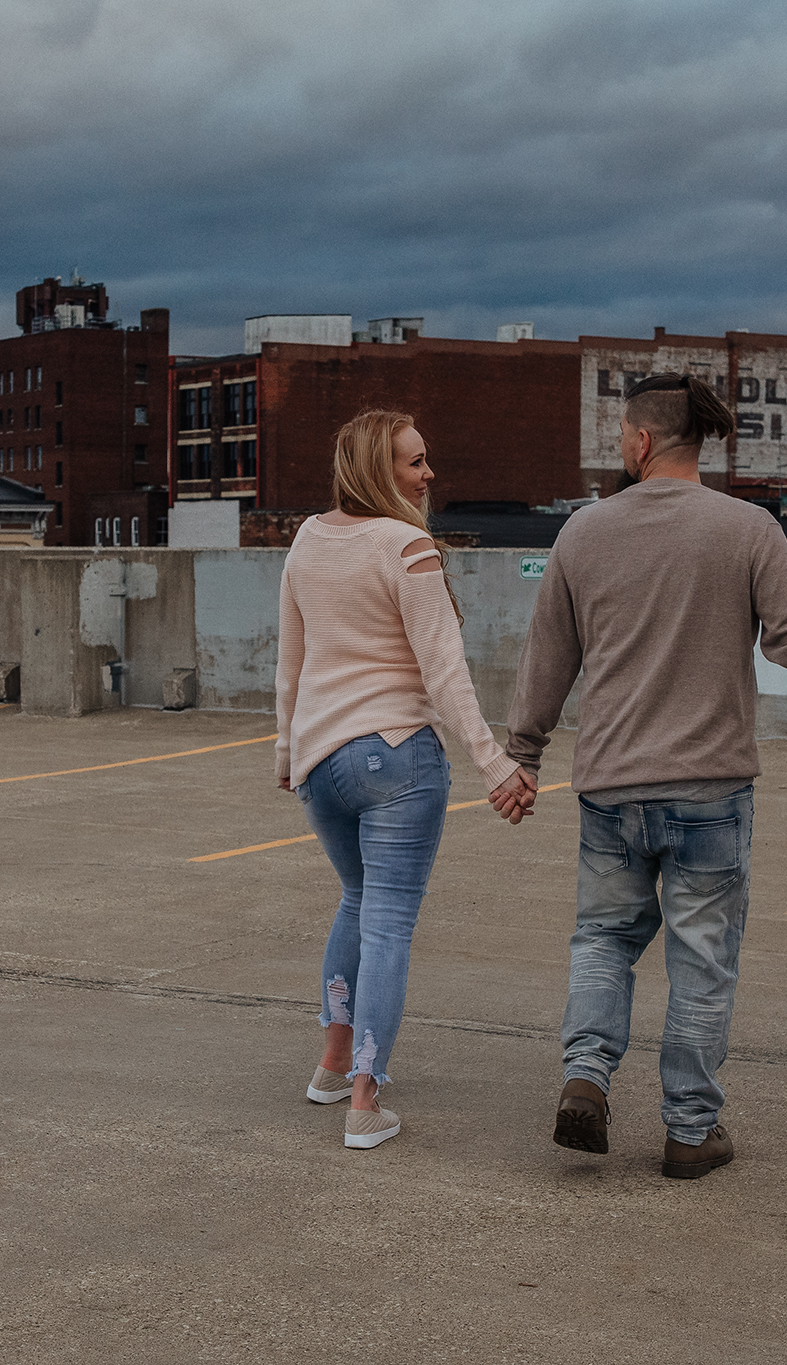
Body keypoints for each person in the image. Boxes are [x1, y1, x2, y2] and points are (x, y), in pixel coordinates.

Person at [500, 373, 787, 1179]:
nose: (619, 444)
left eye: (621, 432)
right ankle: (689, 1132)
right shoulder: (748, 530)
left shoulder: (582, 533)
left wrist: (523, 753)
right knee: (702, 959)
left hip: (611, 789)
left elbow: (549, 657)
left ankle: (585, 1076)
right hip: (709, 795)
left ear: (643, 441)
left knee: (603, 939)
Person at [275, 408, 538, 1151]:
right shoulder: (407, 545)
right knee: (388, 921)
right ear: (376, 468)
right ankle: (366, 1098)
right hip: (396, 757)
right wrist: (496, 764)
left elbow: (290, 660)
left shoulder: (306, 538)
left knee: (356, 901)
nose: (429, 474)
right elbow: (445, 673)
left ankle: (330, 1067)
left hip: (322, 763)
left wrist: (285, 753)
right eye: (414, 462)